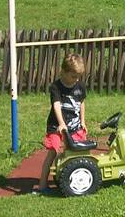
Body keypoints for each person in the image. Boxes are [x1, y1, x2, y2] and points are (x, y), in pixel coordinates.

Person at [34, 53, 88, 194]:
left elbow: (82, 103)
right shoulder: (56, 87)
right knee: (53, 151)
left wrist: (82, 121)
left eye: (78, 77)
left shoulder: (80, 86)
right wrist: (61, 123)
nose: (75, 80)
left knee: (79, 151)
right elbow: (56, 105)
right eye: (73, 76)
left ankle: (72, 177)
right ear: (63, 72)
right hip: (56, 126)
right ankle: (42, 186)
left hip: (75, 125)